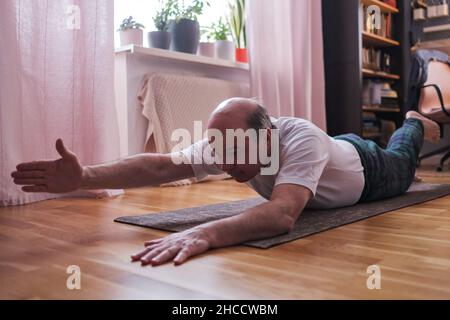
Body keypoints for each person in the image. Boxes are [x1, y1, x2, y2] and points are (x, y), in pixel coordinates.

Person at [10, 98, 440, 266]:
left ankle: (411, 118)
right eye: (221, 152)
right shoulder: (228, 142)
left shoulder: (300, 137)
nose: (226, 164)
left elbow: (282, 214)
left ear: (268, 135)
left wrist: (207, 233)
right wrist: (86, 175)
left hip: (370, 172)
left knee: (403, 156)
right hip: (338, 153)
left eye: (236, 154)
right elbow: (161, 166)